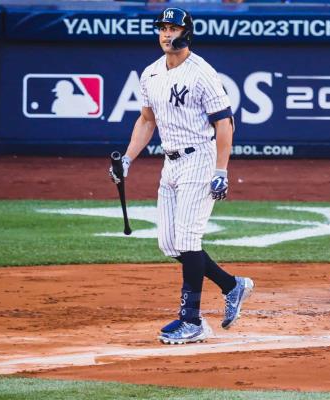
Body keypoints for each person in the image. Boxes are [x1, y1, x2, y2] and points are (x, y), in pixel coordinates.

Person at [108, 7, 253, 345]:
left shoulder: (201, 72)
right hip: (170, 163)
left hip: (199, 160)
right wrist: (128, 159)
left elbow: (224, 123)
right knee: (170, 244)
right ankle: (233, 286)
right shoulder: (151, 74)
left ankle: (192, 320)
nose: (166, 34)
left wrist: (221, 171)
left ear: (186, 33)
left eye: (173, 28)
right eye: (162, 28)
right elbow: (146, 121)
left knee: (188, 241)